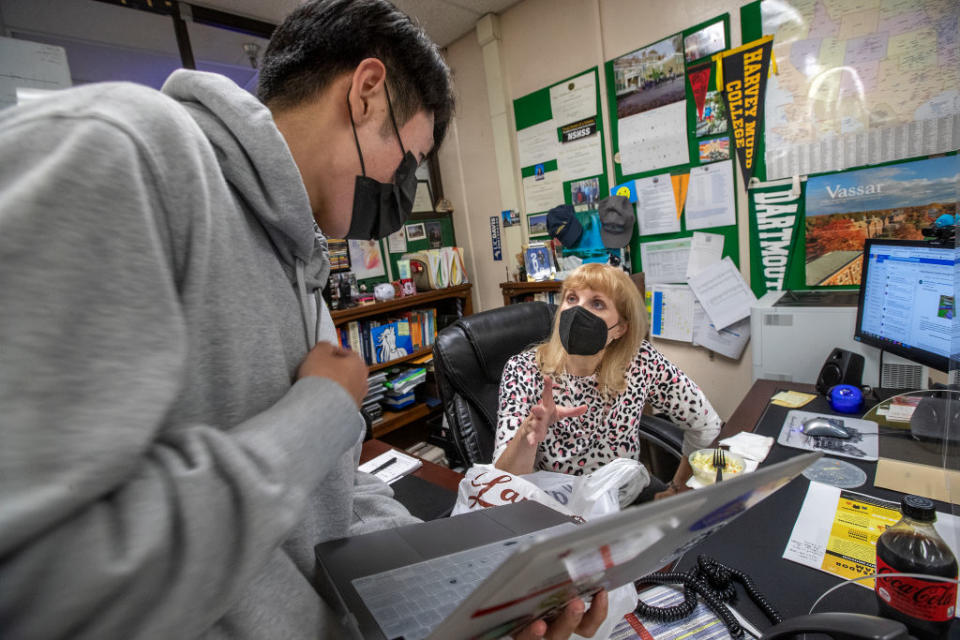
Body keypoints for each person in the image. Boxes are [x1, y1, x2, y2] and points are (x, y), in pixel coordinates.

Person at [0, 1, 605, 638]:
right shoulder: (125, 150)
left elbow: (331, 495)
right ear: (367, 93)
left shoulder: (300, 263)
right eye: (405, 162)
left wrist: (448, 588)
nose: (403, 191)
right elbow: (39, 579)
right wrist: (318, 411)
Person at [494, 263, 723, 499]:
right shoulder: (523, 370)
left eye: (597, 303)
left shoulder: (641, 361)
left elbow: (705, 425)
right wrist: (527, 433)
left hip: (619, 503)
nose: (577, 312)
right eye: (571, 298)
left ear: (620, 328)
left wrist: (678, 487)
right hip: (554, 510)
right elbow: (503, 483)